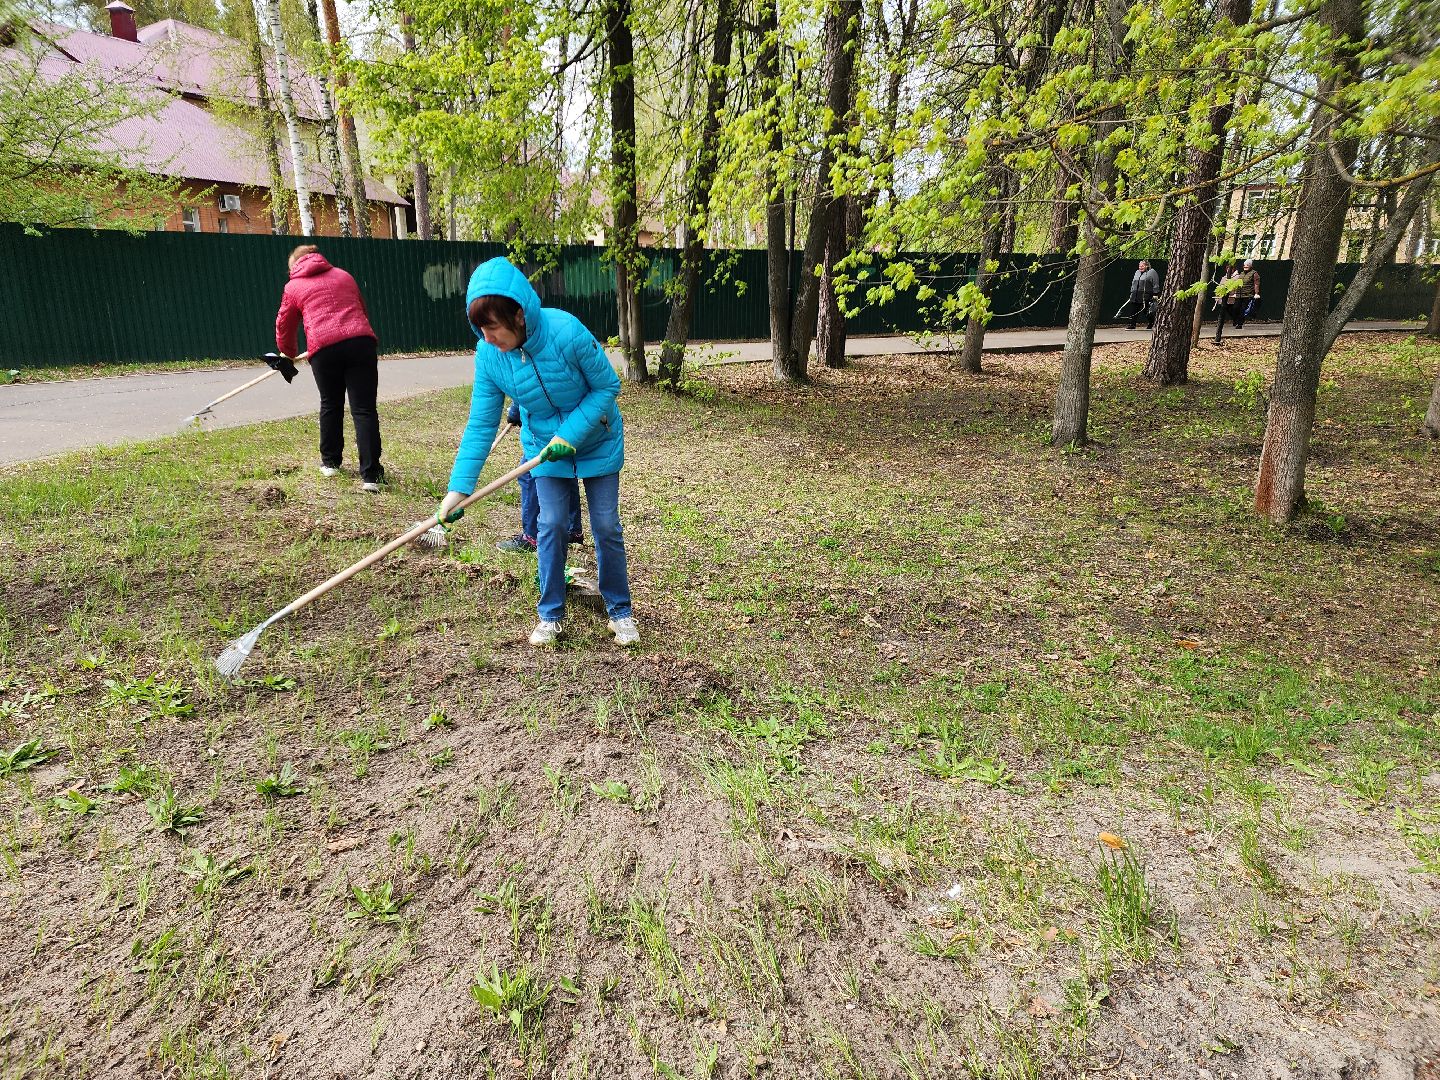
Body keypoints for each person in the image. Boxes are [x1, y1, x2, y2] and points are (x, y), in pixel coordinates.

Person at [438, 257, 638, 648]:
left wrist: (571, 434)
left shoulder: (565, 331)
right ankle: (550, 613)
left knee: (606, 525)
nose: (487, 336)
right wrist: (457, 490)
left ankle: (620, 610)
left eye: (493, 326)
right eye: (480, 327)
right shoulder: (489, 355)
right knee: (551, 524)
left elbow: (606, 387)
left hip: (598, 439)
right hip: (544, 451)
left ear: (519, 314)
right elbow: (481, 424)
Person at [275, 245, 384, 492]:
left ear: (295, 265)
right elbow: (362, 311)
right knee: (364, 409)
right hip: (361, 343)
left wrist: (288, 354)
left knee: (331, 404)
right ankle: (371, 476)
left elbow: (284, 325)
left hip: (324, 349)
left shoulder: (293, 287)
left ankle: (331, 463)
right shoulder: (344, 275)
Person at [497, 400, 585, 554]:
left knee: (528, 474)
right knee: (564, 469)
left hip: (544, 424)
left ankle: (532, 537)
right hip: (567, 421)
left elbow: (527, 386)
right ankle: (573, 531)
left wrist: (515, 411)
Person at [1125, 259, 1161, 330]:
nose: (1140, 267)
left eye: (1142, 266)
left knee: (1146, 310)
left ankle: (1152, 322)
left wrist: (1155, 293)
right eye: (1139, 266)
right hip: (1136, 294)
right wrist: (1132, 291)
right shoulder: (1137, 272)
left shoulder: (1152, 272)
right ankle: (1132, 324)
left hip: (1146, 294)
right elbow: (1133, 283)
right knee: (1134, 309)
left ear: (1147, 266)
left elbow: (1155, 283)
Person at [1212, 266, 1242, 343]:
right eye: (1227, 268)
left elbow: (1238, 287)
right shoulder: (1224, 277)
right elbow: (1220, 286)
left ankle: (1238, 322)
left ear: (1233, 269)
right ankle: (1232, 322)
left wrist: (1235, 294)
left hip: (1233, 297)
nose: (1228, 270)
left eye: (1230, 268)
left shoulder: (1237, 277)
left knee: (1233, 310)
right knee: (1227, 310)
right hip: (1224, 297)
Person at [1234, 259, 1261, 328]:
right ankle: (1236, 321)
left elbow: (1256, 284)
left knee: (1243, 309)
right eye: (1244, 265)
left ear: (1251, 266)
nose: (1245, 266)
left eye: (1247, 265)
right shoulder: (1242, 273)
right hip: (1239, 294)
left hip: (1247, 295)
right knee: (1236, 308)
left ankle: (1239, 324)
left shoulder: (1254, 273)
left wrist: (1256, 293)